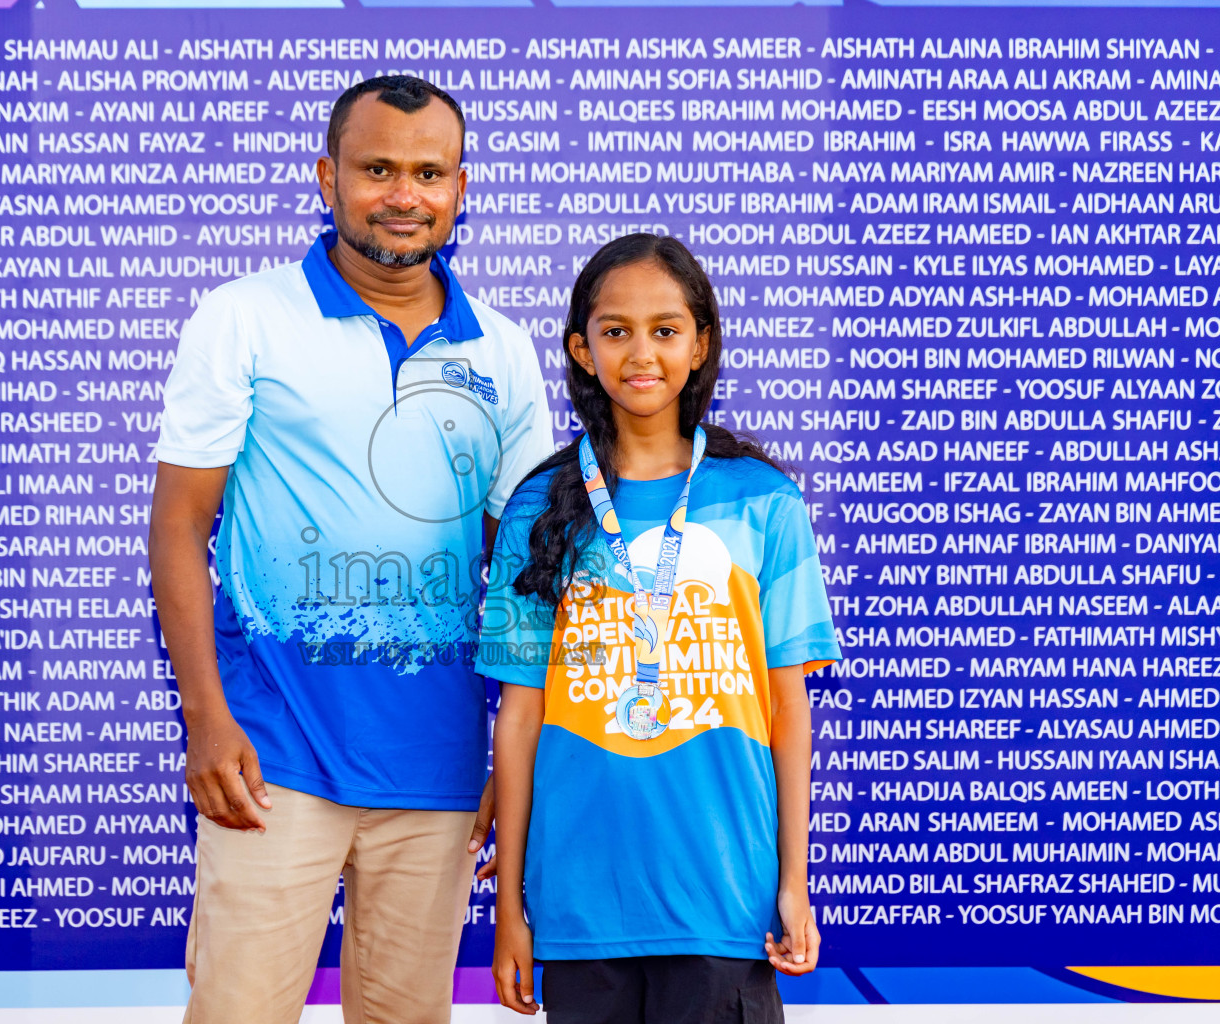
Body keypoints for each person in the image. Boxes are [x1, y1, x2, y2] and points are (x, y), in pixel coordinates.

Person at [148, 75, 553, 1024]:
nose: (403, 194)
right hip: (270, 759)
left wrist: (512, 756)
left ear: (461, 188)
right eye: (377, 169)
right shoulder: (244, 316)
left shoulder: (502, 350)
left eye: (427, 172)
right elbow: (178, 525)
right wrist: (206, 719)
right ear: (328, 178)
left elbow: (527, 577)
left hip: (440, 768)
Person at [477, 233, 840, 1022]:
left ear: (701, 343)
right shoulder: (539, 510)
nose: (641, 353)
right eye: (615, 331)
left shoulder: (764, 501)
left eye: (666, 330)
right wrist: (509, 909)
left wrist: (794, 883)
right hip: (580, 907)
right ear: (581, 349)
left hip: (723, 898)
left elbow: (788, 710)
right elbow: (519, 718)